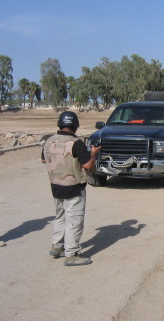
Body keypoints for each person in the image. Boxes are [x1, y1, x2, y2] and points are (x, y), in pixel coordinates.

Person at [41, 111, 101, 266]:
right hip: (74, 187)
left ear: (60, 125)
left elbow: (43, 159)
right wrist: (93, 154)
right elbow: (88, 165)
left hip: (55, 186)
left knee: (60, 217)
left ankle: (57, 246)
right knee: (74, 220)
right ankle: (72, 254)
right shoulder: (76, 143)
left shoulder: (48, 141)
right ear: (75, 126)